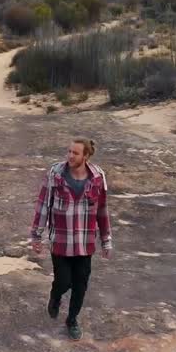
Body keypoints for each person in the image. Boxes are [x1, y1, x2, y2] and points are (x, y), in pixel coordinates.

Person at [29, 137, 111, 340]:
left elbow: (102, 210)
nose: (70, 156)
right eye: (69, 151)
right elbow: (43, 204)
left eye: (75, 153)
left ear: (86, 156)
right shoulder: (55, 174)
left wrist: (106, 239)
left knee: (80, 285)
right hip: (61, 241)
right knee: (63, 281)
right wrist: (36, 235)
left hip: (84, 243)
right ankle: (55, 297)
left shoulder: (98, 176)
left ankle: (72, 320)